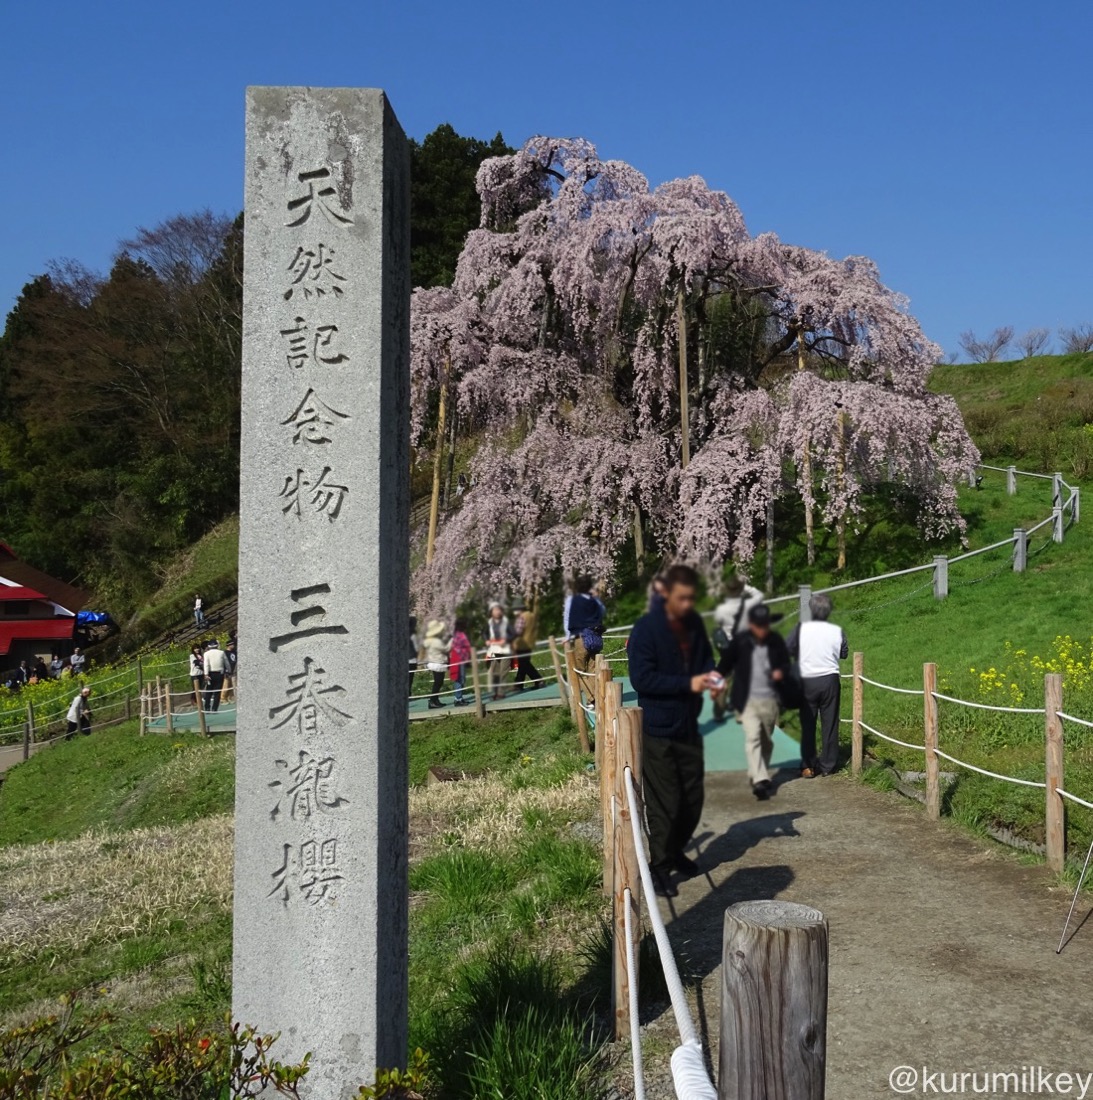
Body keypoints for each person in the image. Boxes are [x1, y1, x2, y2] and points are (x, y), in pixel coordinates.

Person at [628, 563, 719, 898]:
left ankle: (676, 849)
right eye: (682, 598)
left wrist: (713, 678)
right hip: (658, 727)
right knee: (664, 800)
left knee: (693, 797)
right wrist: (687, 683)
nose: (687, 605)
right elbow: (642, 679)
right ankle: (659, 866)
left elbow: (705, 661)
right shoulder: (646, 629)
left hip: (688, 724)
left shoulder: (694, 624)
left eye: (691, 599)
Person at [718, 604, 792, 801]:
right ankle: (760, 779)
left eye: (765, 625)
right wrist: (716, 677)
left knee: (766, 739)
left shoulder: (776, 641)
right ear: (751, 625)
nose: (762, 629)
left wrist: (780, 672)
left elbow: (786, 663)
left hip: (770, 699)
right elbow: (725, 662)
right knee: (753, 737)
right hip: (747, 699)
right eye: (758, 625)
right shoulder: (740, 642)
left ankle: (757, 771)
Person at [788, 594, 849, 777]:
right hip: (830, 680)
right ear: (828, 611)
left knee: (808, 723)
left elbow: (788, 648)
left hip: (807, 680)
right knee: (830, 723)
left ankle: (807, 765)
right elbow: (844, 653)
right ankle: (828, 766)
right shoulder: (836, 631)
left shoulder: (800, 629)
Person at [711, 576, 765, 720]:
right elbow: (760, 595)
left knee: (722, 677)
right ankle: (740, 713)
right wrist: (746, 587)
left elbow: (719, 624)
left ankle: (718, 711)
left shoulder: (722, 609)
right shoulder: (747, 606)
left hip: (728, 647)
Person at [567, 576, 606, 672]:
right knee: (594, 669)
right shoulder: (595, 600)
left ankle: (584, 687)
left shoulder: (575, 601)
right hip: (595, 638)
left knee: (580, 670)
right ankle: (595, 687)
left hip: (581, 637)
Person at [512, 603, 543, 692]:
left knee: (524, 664)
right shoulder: (531, 616)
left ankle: (537, 680)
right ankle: (520, 684)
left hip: (522, 644)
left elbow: (518, 631)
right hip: (530, 642)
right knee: (524, 664)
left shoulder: (521, 617)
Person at [484, 602, 512, 700]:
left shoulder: (506, 621)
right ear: (491, 612)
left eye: (498, 609)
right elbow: (484, 632)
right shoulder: (489, 622)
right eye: (495, 610)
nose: (497, 612)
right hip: (494, 649)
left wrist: (506, 639)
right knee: (494, 672)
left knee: (503, 671)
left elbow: (513, 633)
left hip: (505, 649)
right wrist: (486, 640)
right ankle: (494, 692)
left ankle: (501, 693)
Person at [422, 619, 450, 709]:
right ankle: (432, 700)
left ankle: (435, 700)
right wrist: (451, 641)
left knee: (438, 683)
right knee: (438, 683)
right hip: (438, 663)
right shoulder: (436, 641)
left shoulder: (430, 640)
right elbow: (446, 649)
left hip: (434, 662)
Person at [448, 619, 472, 706]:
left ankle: (459, 697)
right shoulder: (460, 635)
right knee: (459, 679)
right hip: (459, 659)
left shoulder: (456, 635)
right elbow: (465, 646)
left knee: (460, 679)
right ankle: (458, 698)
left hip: (458, 658)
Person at [203, 640, 230, 713]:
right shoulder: (221, 652)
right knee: (217, 692)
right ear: (217, 645)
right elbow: (226, 662)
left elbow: (206, 664)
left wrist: (206, 674)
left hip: (210, 673)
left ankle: (207, 708)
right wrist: (229, 671)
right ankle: (215, 708)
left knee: (209, 691)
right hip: (219, 673)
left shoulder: (206, 653)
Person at [408, 617, 420, 699]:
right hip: (411, 659)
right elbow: (416, 647)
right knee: (410, 679)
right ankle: (408, 694)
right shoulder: (413, 635)